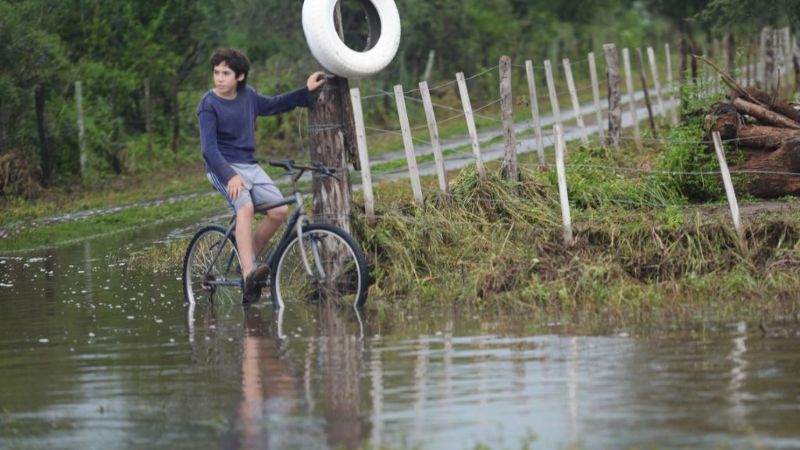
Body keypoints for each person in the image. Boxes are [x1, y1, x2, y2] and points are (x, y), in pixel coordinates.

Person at [197, 48, 326, 303]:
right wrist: (230, 175)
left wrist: (306, 90)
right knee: (244, 207)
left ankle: (249, 258)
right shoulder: (208, 104)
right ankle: (248, 272)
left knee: (279, 211)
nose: (219, 78)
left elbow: (275, 104)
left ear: (240, 77)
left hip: (250, 165)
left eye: (226, 73)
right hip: (222, 168)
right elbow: (208, 149)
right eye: (216, 73)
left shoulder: (249, 96)